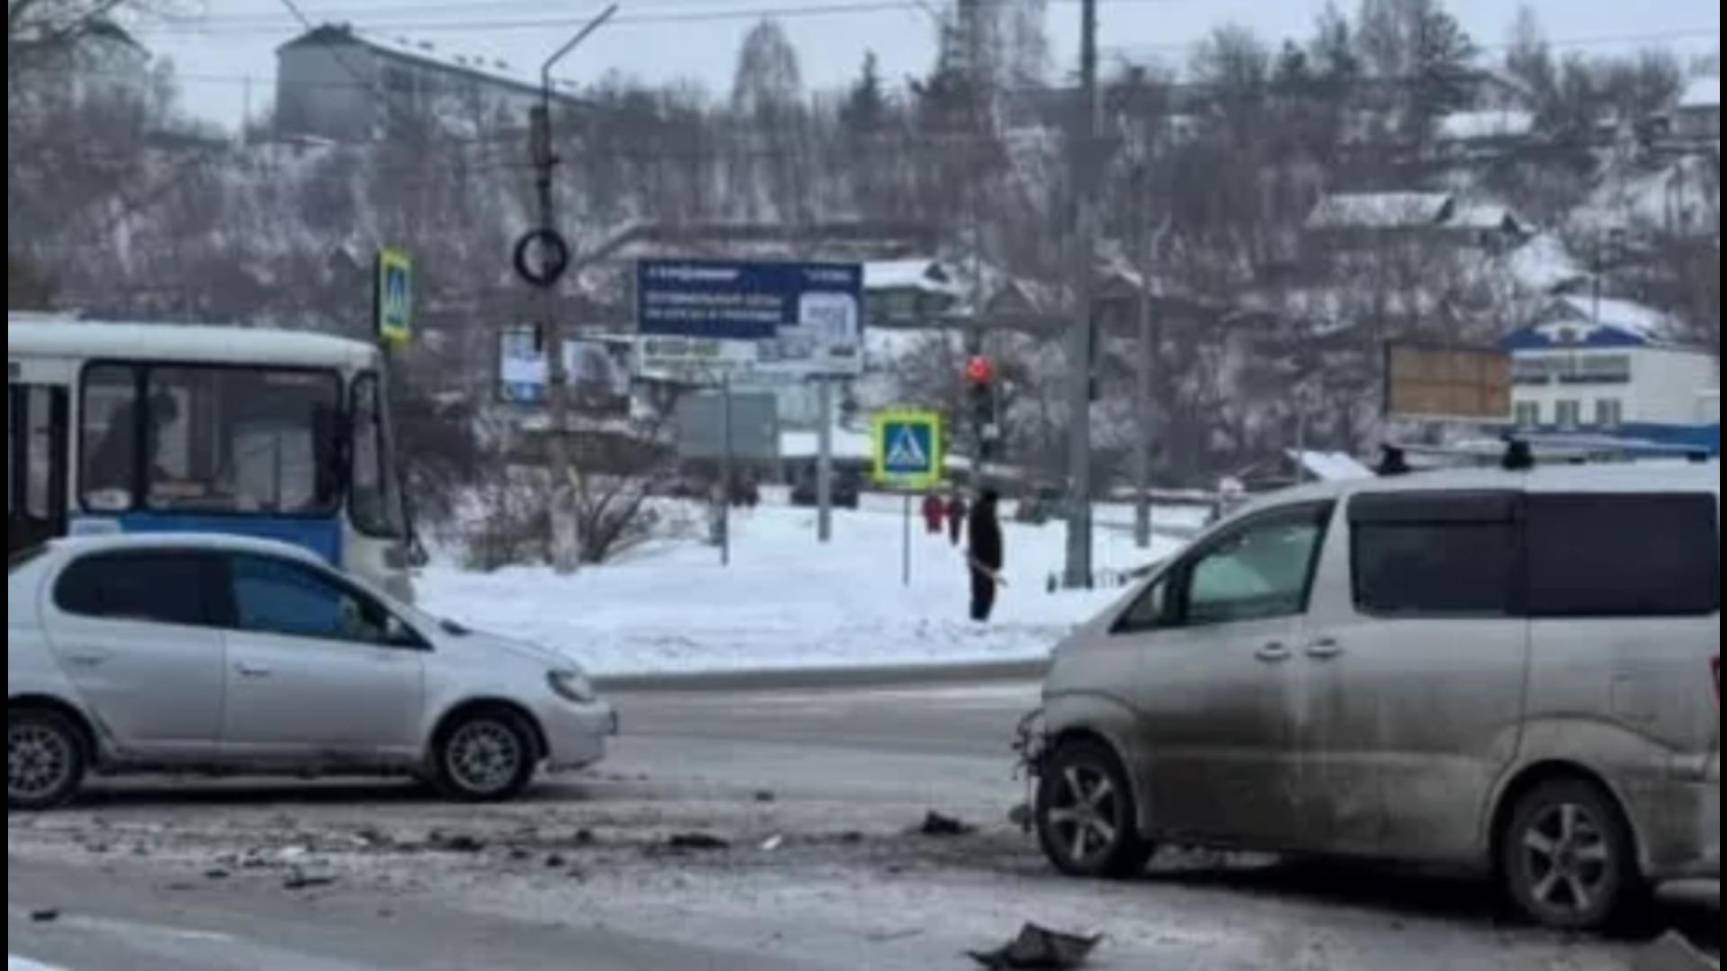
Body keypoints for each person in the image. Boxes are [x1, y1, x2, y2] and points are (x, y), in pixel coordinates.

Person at [967, 489, 1004, 623]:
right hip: (983, 562)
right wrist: (988, 561)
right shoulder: (984, 514)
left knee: (982, 593)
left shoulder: (982, 513)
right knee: (984, 594)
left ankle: (978, 619)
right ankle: (978, 620)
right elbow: (985, 540)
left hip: (983, 561)